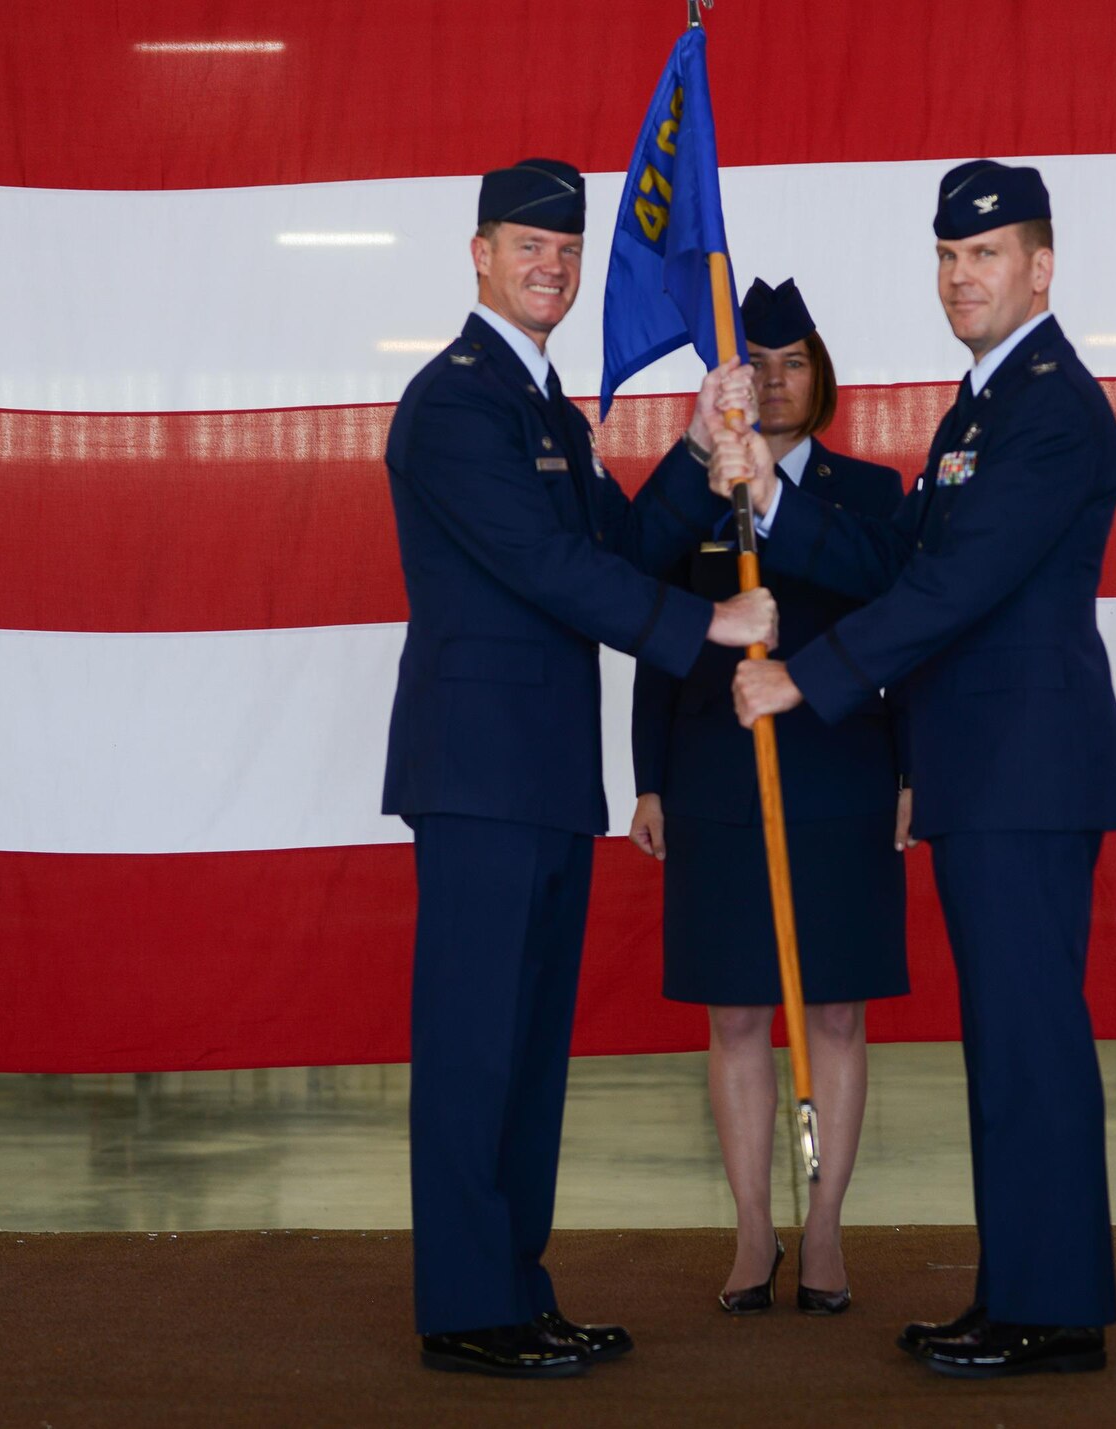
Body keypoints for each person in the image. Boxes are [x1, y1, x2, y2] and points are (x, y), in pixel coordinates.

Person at [719, 160, 1116, 1378]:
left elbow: (956, 587)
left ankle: (1050, 1309)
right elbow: (893, 551)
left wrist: (806, 675)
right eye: (948, 258)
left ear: (1039, 267)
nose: (962, 276)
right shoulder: (980, 407)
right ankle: (1023, 1290)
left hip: (1025, 770)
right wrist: (772, 499)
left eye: (988, 255)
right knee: (1006, 1044)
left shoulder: (1050, 407)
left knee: (1028, 1043)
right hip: (989, 771)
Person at [381, 156, 777, 1378]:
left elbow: (619, 542)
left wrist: (700, 438)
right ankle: (465, 1305)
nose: (550, 265)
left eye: (566, 248)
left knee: (527, 1054)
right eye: (525, 245)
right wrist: (704, 629)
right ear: (479, 254)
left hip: (545, 773)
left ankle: (514, 1285)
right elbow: (545, 569)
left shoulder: (544, 406)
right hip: (478, 772)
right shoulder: (453, 405)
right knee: (472, 1047)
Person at [627, 278, 909, 1317]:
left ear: (819, 377)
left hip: (839, 776)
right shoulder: (698, 486)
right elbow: (657, 632)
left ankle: (825, 1230)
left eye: (793, 363)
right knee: (735, 1015)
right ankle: (753, 1235)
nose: (777, 383)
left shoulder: (871, 493)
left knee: (836, 1012)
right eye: (758, 365)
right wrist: (647, 776)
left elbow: (901, 621)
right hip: (713, 775)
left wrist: (912, 773)